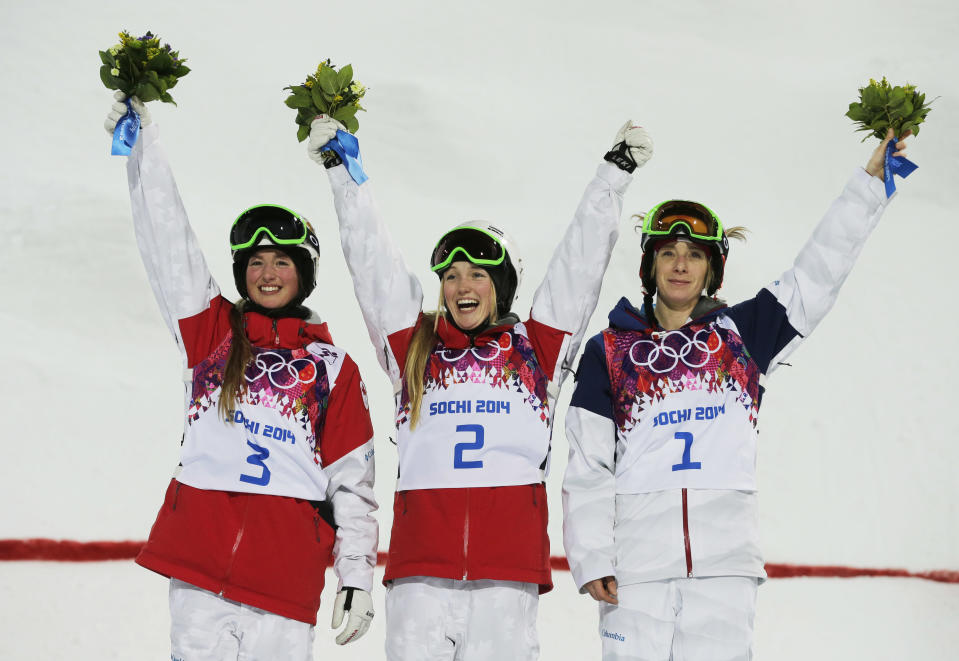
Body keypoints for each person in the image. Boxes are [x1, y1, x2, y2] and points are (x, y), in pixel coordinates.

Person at [306, 114, 654, 659]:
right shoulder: (413, 350)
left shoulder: (537, 352)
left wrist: (612, 177)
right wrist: (343, 176)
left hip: (504, 580)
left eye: (476, 275)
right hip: (419, 578)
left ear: (503, 286)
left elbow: (578, 269)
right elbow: (374, 268)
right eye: (450, 276)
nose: (461, 286)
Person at [561, 129, 912, 660]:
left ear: (711, 268)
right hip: (634, 571)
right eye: (669, 253)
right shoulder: (607, 351)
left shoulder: (742, 335)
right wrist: (591, 556)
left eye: (695, 255)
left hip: (724, 572)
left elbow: (817, 273)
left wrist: (869, 184)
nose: (681, 265)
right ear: (650, 266)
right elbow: (588, 463)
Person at [104, 92, 379, 660]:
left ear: (304, 275)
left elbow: (353, 485)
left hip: (284, 581)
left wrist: (356, 576)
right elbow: (169, 242)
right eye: (255, 262)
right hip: (199, 577)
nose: (267, 273)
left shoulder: (333, 369)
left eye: (282, 261)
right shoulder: (212, 338)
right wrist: (144, 149)